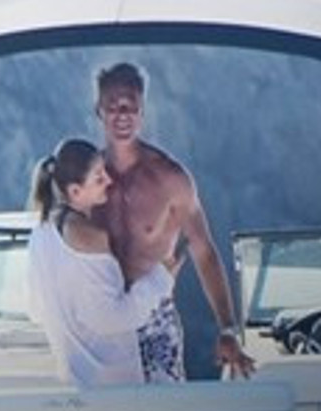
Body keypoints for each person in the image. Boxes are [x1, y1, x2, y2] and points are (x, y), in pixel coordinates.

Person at [92, 62, 255, 381]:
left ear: (142, 112)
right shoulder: (88, 182)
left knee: (162, 408)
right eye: (113, 106)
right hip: (102, 319)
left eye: (130, 106)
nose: (122, 115)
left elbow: (204, 252)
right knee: (104, 410)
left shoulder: (170, 178)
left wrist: (227, 328)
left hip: (155, 321)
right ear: (98, 110)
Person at [28, 139, 176, 387]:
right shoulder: (91, 239)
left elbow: (36, 310)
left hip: (71, 381)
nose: (109, 180)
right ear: (75, 192)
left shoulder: (39, 234)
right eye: (99, 178)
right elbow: (111, 319)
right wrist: (161, 277)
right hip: (111, 387)